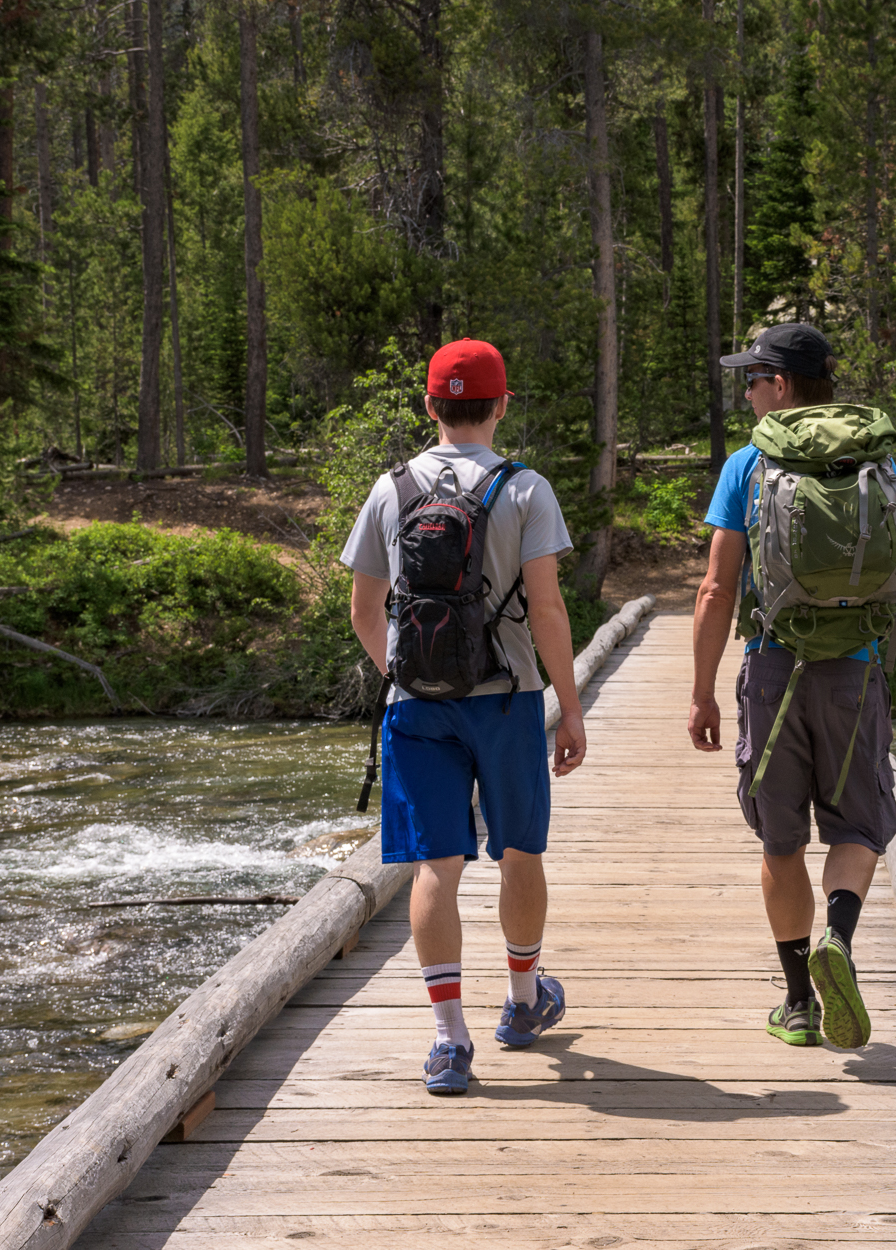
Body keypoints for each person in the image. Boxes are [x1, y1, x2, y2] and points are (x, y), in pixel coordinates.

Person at [341, 337, 586, 1095]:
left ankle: (449, 1042)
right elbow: (545, 608)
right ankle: (521, 1003)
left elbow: (363, 610)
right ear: (501, 405)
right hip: (508, 699)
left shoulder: (391, 488)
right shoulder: (524, 489)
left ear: (429, 406)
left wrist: (408, 676)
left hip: (418, 708)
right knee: (519, 852)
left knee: (436, 866)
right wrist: (567, 707)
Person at [688, 322, 896, 1050]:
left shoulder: (748, 466)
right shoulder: (877, 468)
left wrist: (701, 692)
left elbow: (713, 589)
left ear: (783, 385)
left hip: (774, 665)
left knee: (779, 840)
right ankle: (841, 932)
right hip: (856, 671)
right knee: (858, 826)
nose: (745, 392)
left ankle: (798, 1005)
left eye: (752, 379)